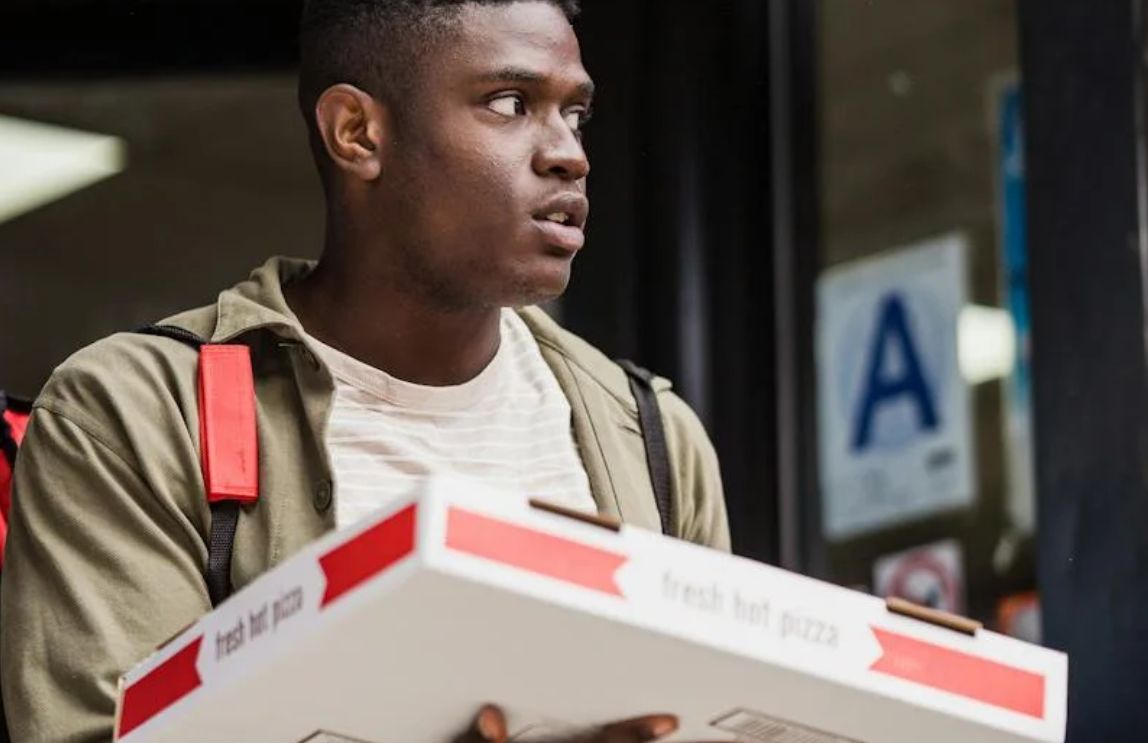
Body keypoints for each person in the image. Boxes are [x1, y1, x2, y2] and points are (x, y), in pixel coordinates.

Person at [0, 1, 730, 741]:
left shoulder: (650, 436)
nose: (569, 154)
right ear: (357, 132)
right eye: (510, 103)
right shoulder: (137, 415)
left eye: (575, 114)